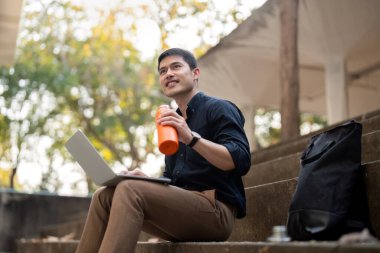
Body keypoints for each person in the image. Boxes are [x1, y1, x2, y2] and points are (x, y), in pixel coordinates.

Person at [75, 48, 251, 253]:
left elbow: (240, 160)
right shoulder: (171, 122)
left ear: (195, 73)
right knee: (104, 196)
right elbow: (172, 179)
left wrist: (191, 138)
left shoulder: (219, 108)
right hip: (181, 212)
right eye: (162, 71)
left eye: (176, 67)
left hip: (215, 213)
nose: (168, 73)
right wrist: (147, 180)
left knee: (129, 189)